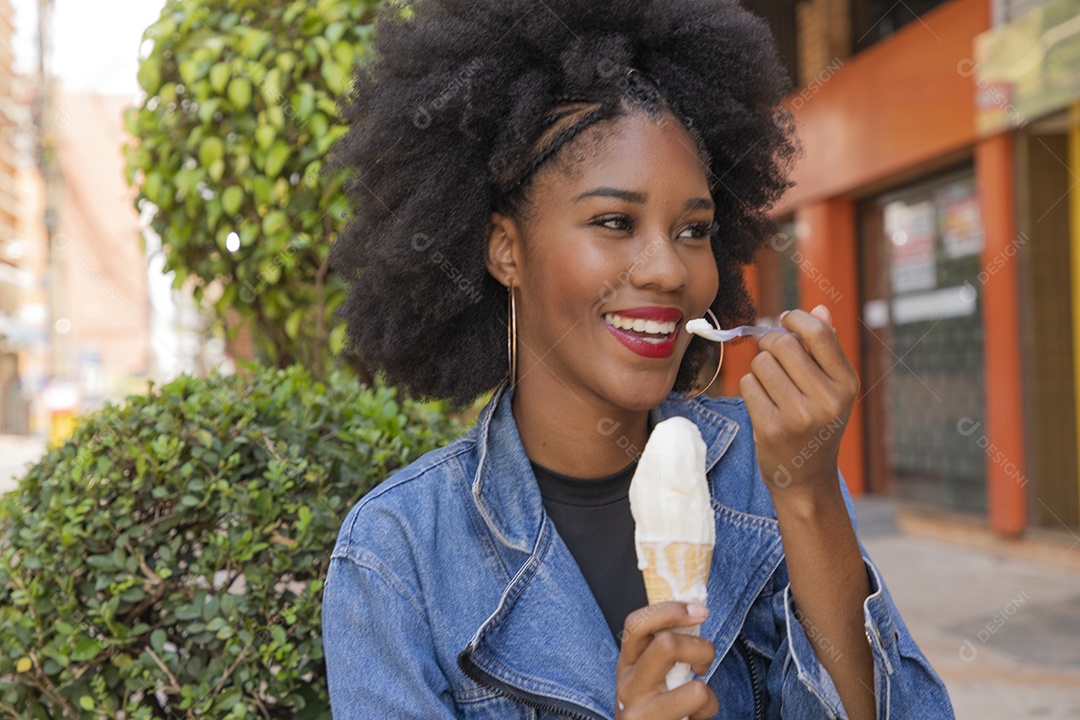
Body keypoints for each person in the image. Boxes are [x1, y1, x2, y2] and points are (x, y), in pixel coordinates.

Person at [322, 0, 955, 718]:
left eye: (693, 230)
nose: (667, 269)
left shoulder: (766, 469)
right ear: (505, 249)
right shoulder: (399, 554)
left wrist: (807, 496)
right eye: (614, 222)